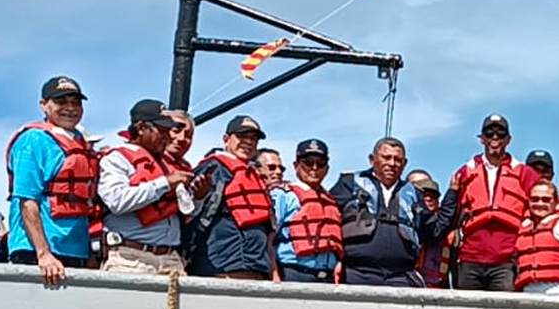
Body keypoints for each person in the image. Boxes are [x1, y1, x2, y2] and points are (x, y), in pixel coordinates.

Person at [6, 76, 100, 284]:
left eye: (75, 102)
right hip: (37, 252)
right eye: (61, 102)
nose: (70, 108)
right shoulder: (33, 140)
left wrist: (90, 254)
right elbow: (27, 200)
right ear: (44, 105)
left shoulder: (81, 143)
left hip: (76, 250)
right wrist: (43, 254)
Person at [332, 138, 446, 286]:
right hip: (355, 273)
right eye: (386, 158)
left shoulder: (414, 193)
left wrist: (452, 194)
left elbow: (433, 230)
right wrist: (333, 260)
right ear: (372, 160)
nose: (392, 164)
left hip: (401, 276)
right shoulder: (349, 183)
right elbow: (328, 219)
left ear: (404, 164)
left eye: (398, 160)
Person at [96, 100, 193, 275]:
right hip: (130, 258)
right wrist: (165, 183)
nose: (168, 136)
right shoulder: (117, 158)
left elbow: (185, 211)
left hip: (170, 258)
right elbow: (117, 201)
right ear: (141, 128)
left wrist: (198, 197)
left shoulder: (166, 165)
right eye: (161, 130)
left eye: (168, 131)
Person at [447, 115, 540, 291]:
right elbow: (450, 211)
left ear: (508, 139)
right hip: (469, 259)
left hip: (506, 261)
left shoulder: (525, 173)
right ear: (482, 139)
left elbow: (545, 209)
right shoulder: (465, 172)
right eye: (489, 134)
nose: (495, 138)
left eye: (500, 134)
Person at [185, 114, 275, 280]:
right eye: (242, 136)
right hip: (221, 267)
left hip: (257, 268)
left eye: (254, 138)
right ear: (226, 139)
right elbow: (190, 213)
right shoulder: (213, 168)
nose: (248, 142)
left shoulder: (255, 175)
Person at [273, 139, 342, 283]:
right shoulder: (283, 195)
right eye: (308, 162)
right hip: (294, 273)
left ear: (327, 168)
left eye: (320, 163)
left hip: (328, 277)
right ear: (296, 165)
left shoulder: (331, 201)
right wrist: (274, 274)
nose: (314, 168)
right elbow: (268, 238)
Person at [513, 181, 559, 295]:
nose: (540, 203)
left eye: (546, 199)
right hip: (527, 290)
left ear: (556, 202)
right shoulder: (523, 228)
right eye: (535, 199)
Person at [407, 171, 453, 288]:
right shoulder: (399, 222)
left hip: (440, 290)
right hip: (407, 286)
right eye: (420, 192)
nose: (426, 198)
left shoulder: (451, 227)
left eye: (432, 195)